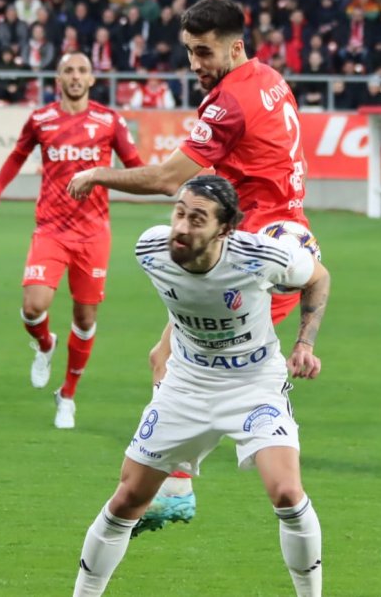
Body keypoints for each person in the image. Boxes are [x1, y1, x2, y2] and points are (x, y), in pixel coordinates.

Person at [67, 0, 315, 534]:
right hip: (284, 235)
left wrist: (96, 175)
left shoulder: (229, 102)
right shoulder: (270, 78)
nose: (196, 63)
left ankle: (179, 488)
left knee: (195, 366)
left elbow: (165, 179)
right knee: (165, 355)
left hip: (253, 257)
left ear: (235, 46)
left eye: (204, 52)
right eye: (189, 52)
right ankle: (181, 481)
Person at [71, 175, 330, 597]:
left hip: (253, 384)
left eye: (197, 219)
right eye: (179, 213)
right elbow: (187, 304)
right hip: (187, 386)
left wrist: (304, 343)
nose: (182, 227)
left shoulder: (262, 257)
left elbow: (318, 277)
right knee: (126, 501)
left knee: (286, 492)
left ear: (225, 230)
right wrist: (165, 348)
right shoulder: (150, 249)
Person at [0, 53, 144, 429]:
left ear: (91, 79)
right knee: (34, 305)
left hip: (93, 233)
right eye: (68, 70)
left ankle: (67, 395)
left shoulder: (108, 121)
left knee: (85, 318)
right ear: (58, 78)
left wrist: (166, 179)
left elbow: (136, 167)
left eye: (82, 70)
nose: (75, 76)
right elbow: (17, 155)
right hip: (51, 229)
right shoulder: (41, 119)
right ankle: (45, 343)